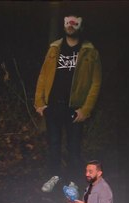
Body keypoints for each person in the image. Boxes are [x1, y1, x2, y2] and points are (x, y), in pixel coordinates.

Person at [35, 14, 102, 186]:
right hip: (53, 107)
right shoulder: (54, 48)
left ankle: (73, 183)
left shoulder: (90, 51)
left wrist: (86, 110)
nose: (70, 25)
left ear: (81, 26)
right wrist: (39, 103)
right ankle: (53, 179)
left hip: (75, 109)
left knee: (74, 150)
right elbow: (43, 75)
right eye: (67, 22)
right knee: (53, 147)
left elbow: (96, 83)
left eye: (75, 22)